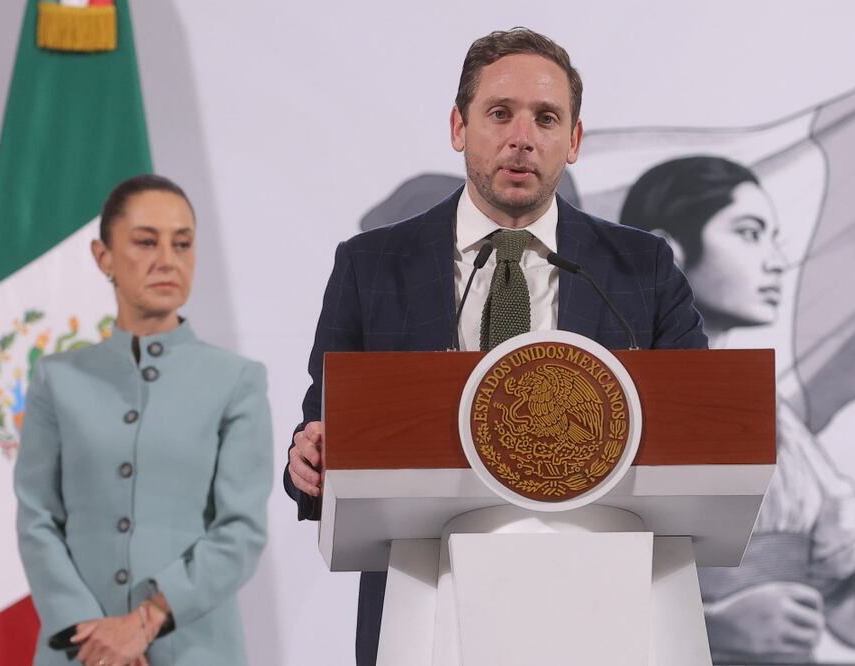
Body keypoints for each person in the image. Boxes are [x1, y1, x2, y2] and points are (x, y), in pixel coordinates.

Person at [283, 28, 708, 665]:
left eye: (546, 117)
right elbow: (326, 421)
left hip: (601, 599)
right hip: (426, 598)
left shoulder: (639, 268)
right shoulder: (373, 265)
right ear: (459, 127)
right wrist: (309, 460)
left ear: (574, 139)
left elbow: (699, 428)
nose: (522, 137)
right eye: (499, 113)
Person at [619, 155, 855, 662]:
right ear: (666, 253)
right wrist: (710, 627)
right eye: (749, 232)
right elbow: (552, 582)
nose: (777, 260)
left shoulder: (775, 419)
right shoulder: (603, 402)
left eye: (773, 235)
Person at [14, 174, 272, 666]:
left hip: (197, 648)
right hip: (78, 651)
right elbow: (37, 518)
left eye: (182, 244)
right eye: (145, 242)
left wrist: (143, 623)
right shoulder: (56, 379)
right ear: (103, 256)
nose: (167, 260)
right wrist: (91, 638)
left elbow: (241, 531)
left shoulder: (237, 380)